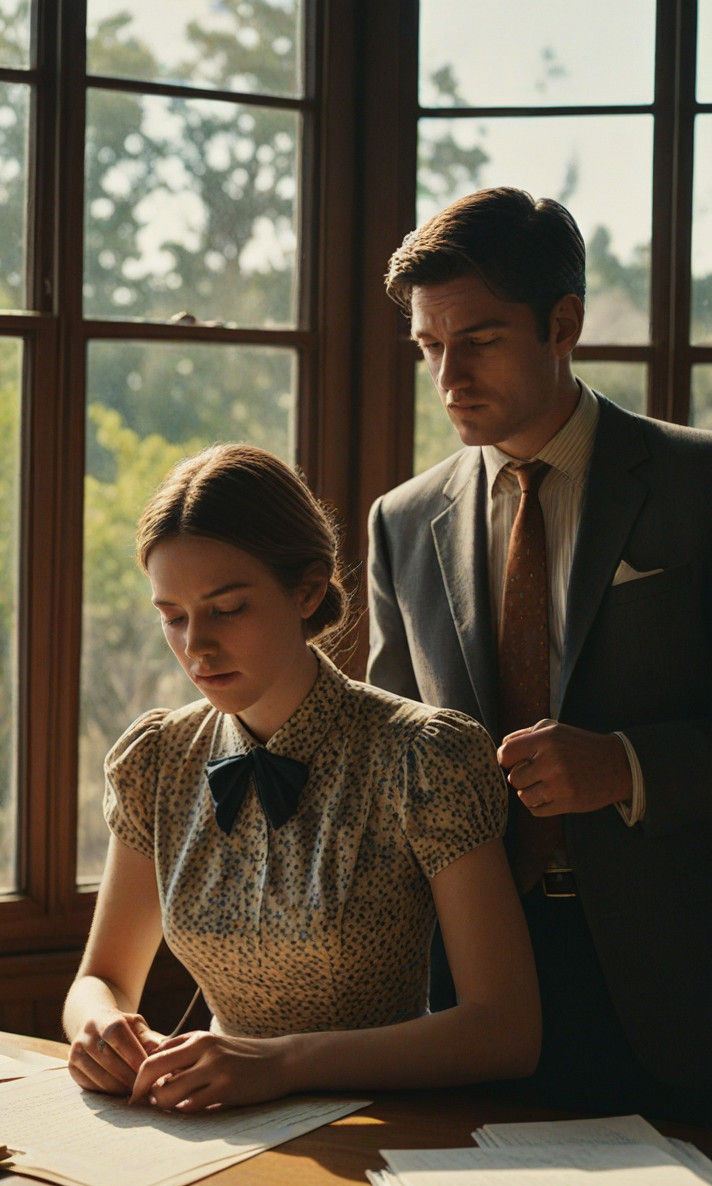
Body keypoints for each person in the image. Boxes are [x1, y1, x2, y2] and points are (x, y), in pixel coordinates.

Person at [367, 187, 712, 1124]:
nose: (448, 378)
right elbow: (387, 753)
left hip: (679, 988)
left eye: (476, 341)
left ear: (564, 324)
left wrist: (628, 767)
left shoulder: (698, 487)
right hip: (474, 989)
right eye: (429, 348)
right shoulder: (402, 523)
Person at [63, 443, 540, 1111]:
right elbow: (103, 978)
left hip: (383, 1128)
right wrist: (97, 1027)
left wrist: (282, 1064)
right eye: (172, 617)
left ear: (308, 589)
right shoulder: (157, 759)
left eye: (227, 609)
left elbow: (506, 1031)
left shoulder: (423, 756)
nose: (195, 647)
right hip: (210, 1123)